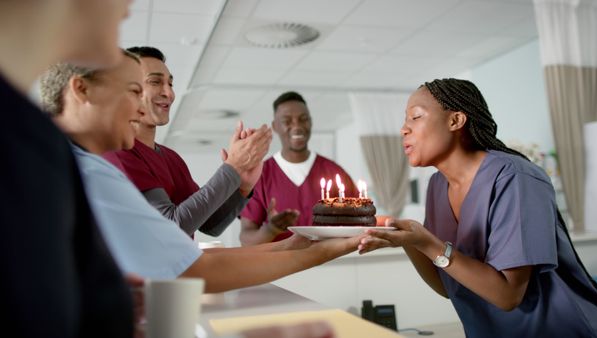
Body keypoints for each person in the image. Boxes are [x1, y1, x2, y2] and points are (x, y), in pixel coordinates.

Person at [41, 58, 364, 293]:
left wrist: (244, 189)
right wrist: (322, 250)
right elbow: (189, 261)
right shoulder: (96, 168)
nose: (141, 107)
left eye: (168, 83)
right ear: (81, 89)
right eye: (133, 90)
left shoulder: (85, 165)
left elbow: (205, 230)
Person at [358, 79, 597, 338]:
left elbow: (508, 295)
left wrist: (425, 241)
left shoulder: (515, 177)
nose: (404, 129)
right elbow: (449, 287)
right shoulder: (438, 186)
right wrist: (406, 239)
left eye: (415, 117)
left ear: (455, 120)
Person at [0, 0, 135, 337]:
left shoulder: (35, 136)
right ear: (81, 89)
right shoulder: (20, 140)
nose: (130, 7)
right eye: (133, 90)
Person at [103, 46, 269, 237]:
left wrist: (242, 185)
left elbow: (210, 224)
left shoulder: (171, 158)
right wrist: (232, 168)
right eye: (155, 81)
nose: (169, 93)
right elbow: (170, 227)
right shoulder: (117, 152)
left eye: (170, 84)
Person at [240, 91, 356, 245]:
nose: (297, 126)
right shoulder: (260, 176)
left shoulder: (334, 173)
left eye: (303, 119)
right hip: (281, 267)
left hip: (329, 264)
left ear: (311, 122)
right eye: (287, 121)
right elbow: (246, 239)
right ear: (275, 126)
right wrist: (271, 230)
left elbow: (358, 224)